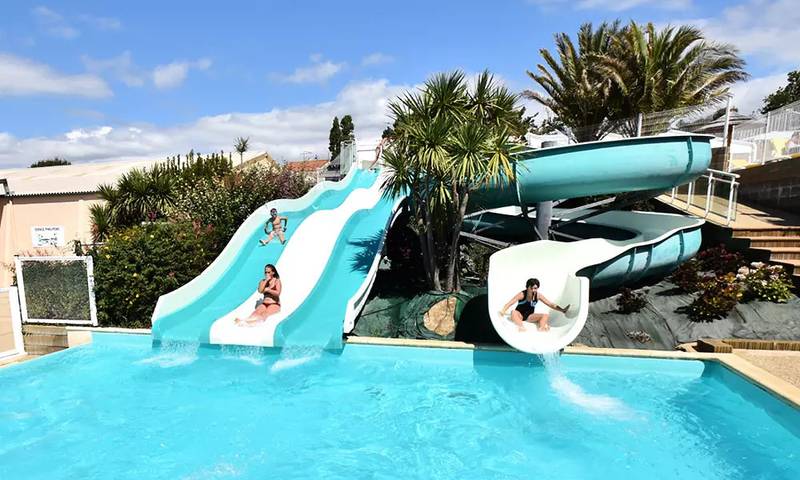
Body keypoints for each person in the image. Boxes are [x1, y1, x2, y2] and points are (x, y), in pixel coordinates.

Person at [499, 278, 569, 332]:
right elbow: (510, 302)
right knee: (513, 312)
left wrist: (562, 310)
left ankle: (541, 328)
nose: (533, 290)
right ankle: (520, 327)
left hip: (529, 316)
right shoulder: (522, 294)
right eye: (531, 288)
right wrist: (503, 311)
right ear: (527, 287)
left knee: (545, 315)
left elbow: (550, 304)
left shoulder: (538, 295)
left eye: (535, 288)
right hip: (519, 315)